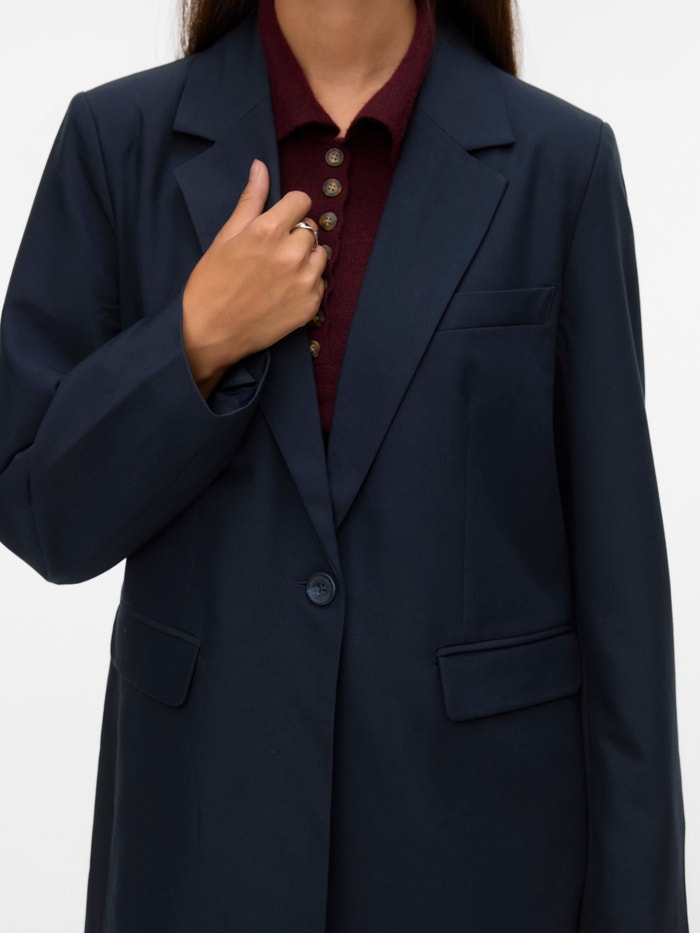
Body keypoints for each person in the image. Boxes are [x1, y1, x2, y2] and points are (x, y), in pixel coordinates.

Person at [0, 0, 689, 930]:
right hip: (202, 849)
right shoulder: (117, 140)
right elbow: (40, 508)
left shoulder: (563, 163)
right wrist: (193, 341)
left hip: (483, 860)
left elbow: (623, 595)